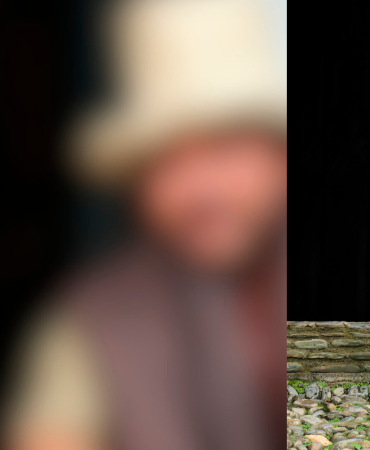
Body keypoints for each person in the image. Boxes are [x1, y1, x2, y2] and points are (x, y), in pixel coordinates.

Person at [3, 1, 286, 449]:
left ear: (279, 151)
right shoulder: (89, 322)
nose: (199, 188)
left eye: (224, 146)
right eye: (165, 160)